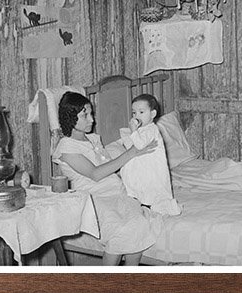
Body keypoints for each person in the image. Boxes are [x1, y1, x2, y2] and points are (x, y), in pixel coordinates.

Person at [52, 91, 162, 266]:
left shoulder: (93, 140)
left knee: (140, 223)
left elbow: (111, 166)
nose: (92, 120)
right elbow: (95, 174)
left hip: (116, 192)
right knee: (122, 230)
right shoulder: (67, 147)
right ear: (71, 117)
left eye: (91, 114)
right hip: (94, 198)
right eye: (85, 115)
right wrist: (132, 152)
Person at [117, 93, 182, 216]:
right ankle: (146, 203)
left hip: (153, 169)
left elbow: (140, 145)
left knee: (155, 189)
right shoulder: (143, 130)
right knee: (144, 188)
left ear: (152, 114)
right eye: (134, 113)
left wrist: (133, 131)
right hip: (145, 167)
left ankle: (160, 206)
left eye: (141, 112)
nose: (137, 116)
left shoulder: (152, 129)